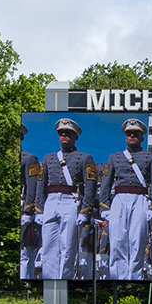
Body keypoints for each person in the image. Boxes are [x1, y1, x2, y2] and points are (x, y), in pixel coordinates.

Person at [21, 116, 97, 283]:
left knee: (68, 248)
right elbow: (40, 185)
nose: (64, 136)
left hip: (71, 201)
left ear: (75, 136)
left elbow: (90, 187)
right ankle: (50, 280)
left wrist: (85, 211)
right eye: (61, 133)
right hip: (51, 202)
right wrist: (39, 210)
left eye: (68, 133)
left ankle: (65, 280)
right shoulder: (48, 158)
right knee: (48, 247)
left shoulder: (85, 158)